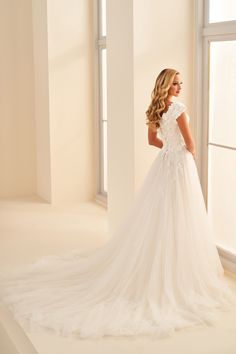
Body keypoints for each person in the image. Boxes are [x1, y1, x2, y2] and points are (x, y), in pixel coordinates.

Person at [0, 68, 234, 340]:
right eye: (175, 83)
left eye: (180, 83)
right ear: (167, 86)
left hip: (164, 165)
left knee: (160, 215)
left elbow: (152, 140)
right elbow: (191, 145)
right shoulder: (179, 109)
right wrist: (185, 157)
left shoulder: (156, 108)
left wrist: (169, 151)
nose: (179, 87)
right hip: (180, 166)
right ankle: (178, 270)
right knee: (181, 215)